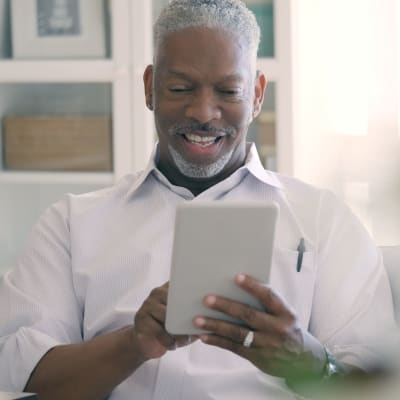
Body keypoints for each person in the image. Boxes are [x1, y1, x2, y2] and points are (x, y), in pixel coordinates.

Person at [0, 1, 396, 399]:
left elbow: (377, 387)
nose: (204, 112)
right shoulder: (71, 223)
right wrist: (132, 344)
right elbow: (23, 376)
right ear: (149, 88)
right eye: (180, 89)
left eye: (228, 91)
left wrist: (306, 360)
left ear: (257, 95)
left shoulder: (324, 220)